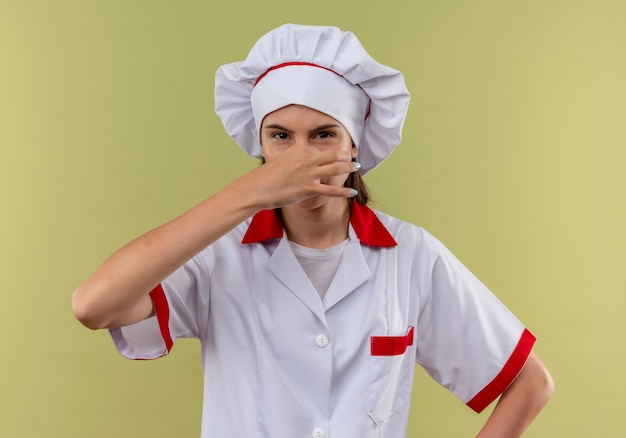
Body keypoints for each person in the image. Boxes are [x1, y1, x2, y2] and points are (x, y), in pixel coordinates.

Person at [72, 23, 553, 437]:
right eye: (280, 137)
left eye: (323, 135)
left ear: (354, 146)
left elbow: (530, 383)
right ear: (258, 146)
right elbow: (93, 305)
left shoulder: (411, 255)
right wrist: (252, 193)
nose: (301, 157)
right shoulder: (217, 255)